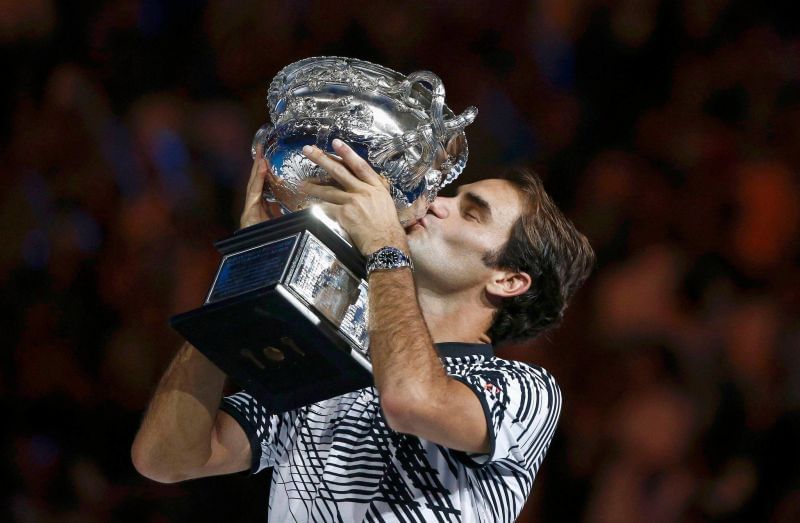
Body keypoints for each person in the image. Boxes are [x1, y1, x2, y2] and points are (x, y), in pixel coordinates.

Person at [131, 138, 595, 522]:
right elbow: (166, 459)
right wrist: (250, 272)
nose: (436, 204)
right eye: (451, 194)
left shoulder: (524, 390)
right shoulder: (326, 355)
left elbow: (412, 401)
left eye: (471, 212)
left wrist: (385, 249)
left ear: (508, 280)